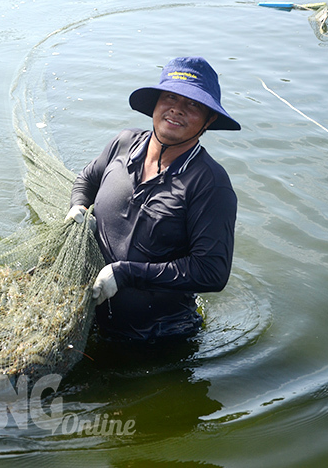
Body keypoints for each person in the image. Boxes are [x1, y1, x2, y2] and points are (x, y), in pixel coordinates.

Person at [66, 57, 240, 342]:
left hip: (156, 338)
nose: (177, 109)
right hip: (89, 316)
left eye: (193, 104)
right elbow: (87, 179)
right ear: (156, 103)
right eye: (170, 97)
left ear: (209, 120)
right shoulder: (123, 143)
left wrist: (125, 274)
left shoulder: (210, 184)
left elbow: (212, 271)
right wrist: (78, 205)